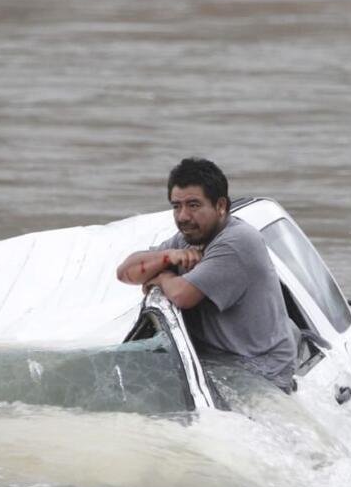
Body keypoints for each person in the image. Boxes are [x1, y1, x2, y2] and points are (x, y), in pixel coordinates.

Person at [115, 158, 297, 391]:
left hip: (261, 372)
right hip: (223, 362)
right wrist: (168, 256)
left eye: (193, 205)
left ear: (221, 206)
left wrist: (161, 278)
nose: (182, 217)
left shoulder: (237, 242)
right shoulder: (188, 238)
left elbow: (182, 295)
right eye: (176, 206)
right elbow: (125, 273)